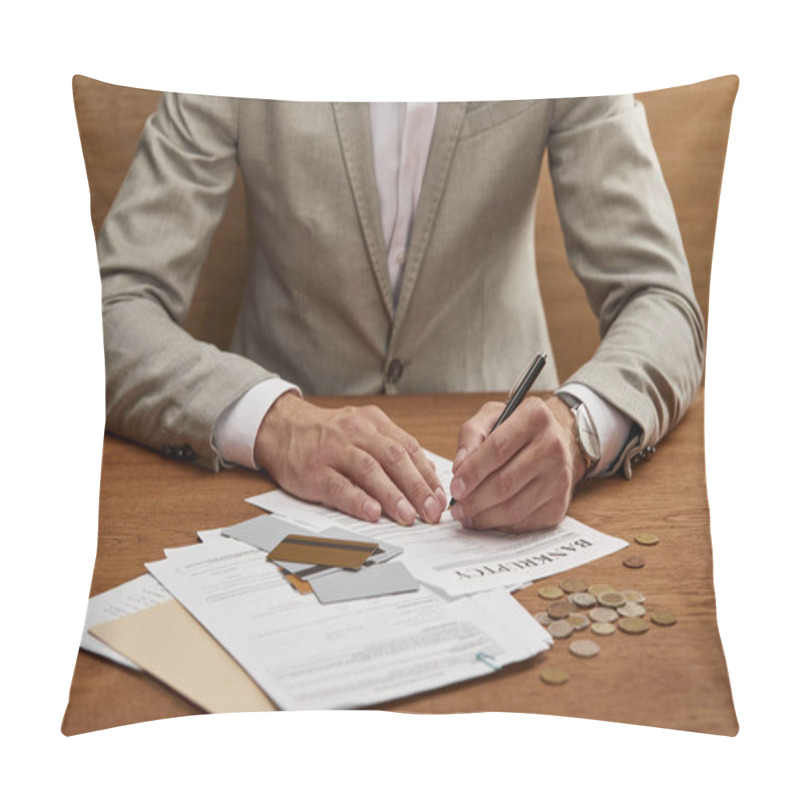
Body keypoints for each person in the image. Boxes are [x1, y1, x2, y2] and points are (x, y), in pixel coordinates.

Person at [98, 96, 704, 534]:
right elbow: (108, 310)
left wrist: (577, 431)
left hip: (504, 492)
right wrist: (279, 425)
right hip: (266, 487)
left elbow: (662, 299)